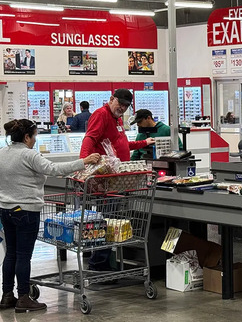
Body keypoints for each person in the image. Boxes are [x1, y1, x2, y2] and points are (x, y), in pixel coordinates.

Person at [0, 119, 100, 313]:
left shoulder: (2, 153)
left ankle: (6, 295)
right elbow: (54, 169)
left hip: (5, 209)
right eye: (35, 136)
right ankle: (23, 297)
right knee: (23, 255)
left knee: (10, 253)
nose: (35, 140)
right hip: (26, 210)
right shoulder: (29, 155)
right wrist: (84, 161)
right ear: (27, 136)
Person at [80, 89, 155, 271]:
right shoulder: (101, 115)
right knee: (106, 220)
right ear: (111, 99)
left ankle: (104, 261)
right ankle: (99, 264)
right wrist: (83, 162)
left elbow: (120, 144)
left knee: (111, 220)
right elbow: (90, 138)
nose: (122, 107)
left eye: (126, 106)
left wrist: (143, 143)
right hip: (106, 180)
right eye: (120, 103)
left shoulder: (117, 119)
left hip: (116, 178)